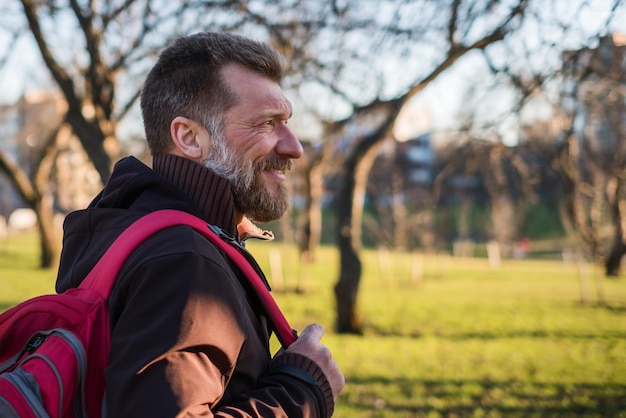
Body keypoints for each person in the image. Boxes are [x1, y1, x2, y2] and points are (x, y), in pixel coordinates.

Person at [56, 31, 344, 417]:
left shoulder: (127, 227)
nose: (294, 147)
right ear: (189, 138)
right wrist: (301, 390)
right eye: (267, 123)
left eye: (286, 122)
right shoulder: (184, 261)